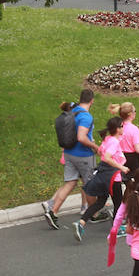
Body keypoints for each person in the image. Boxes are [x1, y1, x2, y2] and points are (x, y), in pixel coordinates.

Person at [42, 90, 103, 230]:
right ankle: (94, 214)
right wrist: (95, 146)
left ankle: (53, 211)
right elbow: (82, 137)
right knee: (90, 184)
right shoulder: (86, 116)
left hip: (69, 153)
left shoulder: (73, 111)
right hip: (83, 155)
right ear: (92, 100)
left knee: (70, 182)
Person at [74, 118, 130, 241]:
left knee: (100, 202)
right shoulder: (114, 142)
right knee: (118, 203)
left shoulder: (108, 139)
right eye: (121, 126)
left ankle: (81, 223)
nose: (123, 129)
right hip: (113, 178)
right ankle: (118, 228)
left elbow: (100, 151)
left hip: (103, 175)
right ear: (117, 129)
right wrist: (121, 167)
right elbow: (107, 157)